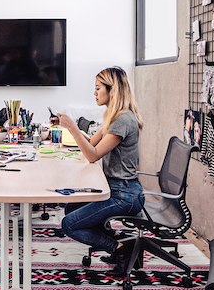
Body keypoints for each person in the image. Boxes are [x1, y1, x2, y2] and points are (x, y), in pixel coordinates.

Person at [57, 66, 145, 276]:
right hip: (115, 188)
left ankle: (120, 248)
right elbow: (92, 142)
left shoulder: (123, 120)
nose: (94, 93)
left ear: (111, 90)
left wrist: (72, 127)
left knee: (69, 224)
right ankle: (119, 243)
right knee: (71, 209)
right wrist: (69, 130)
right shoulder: (113, 117)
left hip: (125, 194)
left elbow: (93, 155)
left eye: (98, 88)